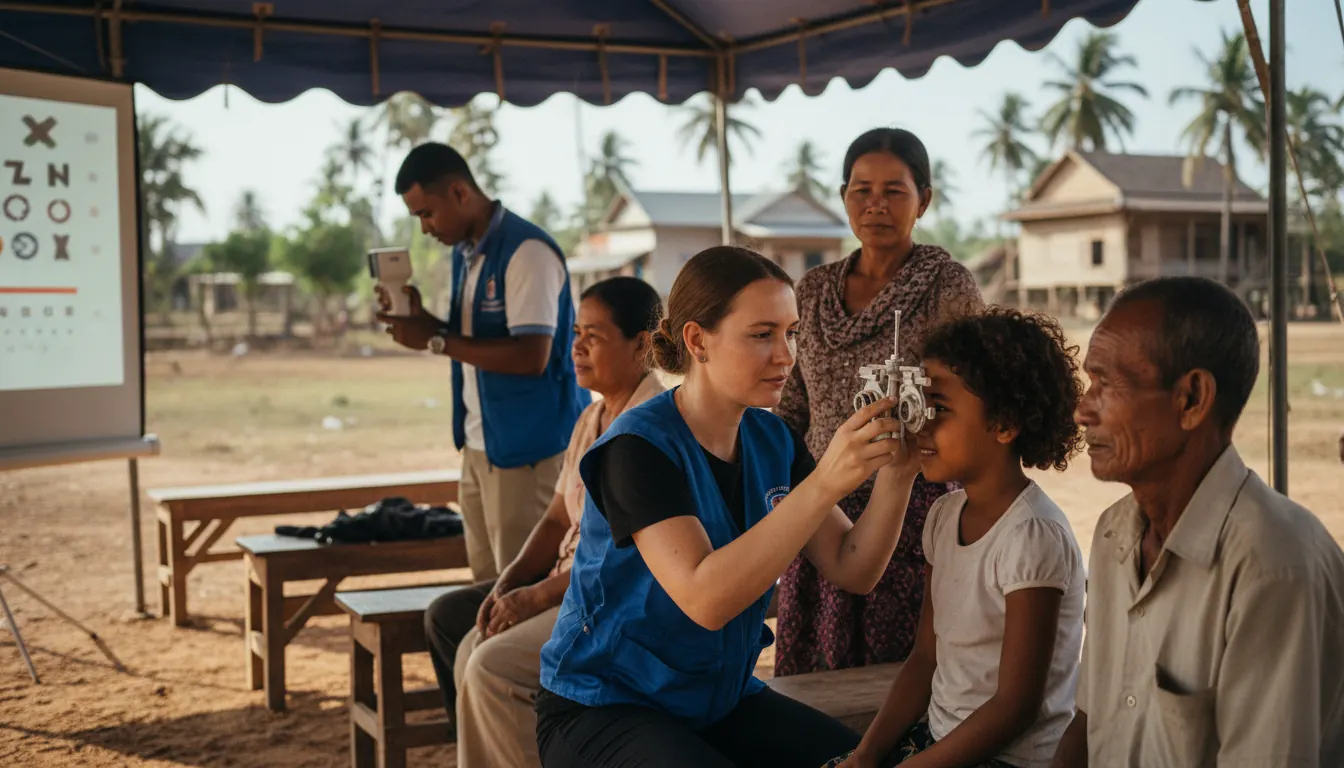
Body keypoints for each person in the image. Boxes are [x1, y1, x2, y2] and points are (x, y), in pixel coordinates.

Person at [535, 246, 924, 768]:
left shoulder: (772, 439)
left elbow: (854, 567)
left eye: (791, 333)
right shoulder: (637, 448)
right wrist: (827, 481)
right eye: (762, 335)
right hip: (606, 705)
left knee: (869, 762)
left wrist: (898, 473)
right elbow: (705, 599)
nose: (786, 355)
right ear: (697, 341)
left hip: (715, 699)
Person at [1050, 276, 1344, 767]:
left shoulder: (1273, 563)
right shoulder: (1113, 534)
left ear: (1191, 399)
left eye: (1107, 384)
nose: (1083, 410)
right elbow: (1090, 720)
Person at [422, 276, 666, 768]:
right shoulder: (591, 417)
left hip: (614, 601)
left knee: (490, 665)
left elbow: (620, 561)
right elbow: (557, 517)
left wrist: (534, 595)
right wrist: (511, 579)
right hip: (573, 588)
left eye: (592, 336)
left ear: (642, 345)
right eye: (575, 333)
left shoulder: (651, 426)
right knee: (473, 641)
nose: (575, 347)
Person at [827, 308, 1087, 768]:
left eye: (939, 409)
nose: (918, 423)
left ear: (1004, 424)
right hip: (938, 739)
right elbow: (925, 657)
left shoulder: (1032, 535)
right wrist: (866, 754)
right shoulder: (944, 515)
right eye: (917, 403)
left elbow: (1016, 708)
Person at [775, 127, 984, 677]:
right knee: (820, 681)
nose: (875, 205)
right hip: (820, 505)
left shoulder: (947, 286)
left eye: (895, 191)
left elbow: (972, 398)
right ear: (843, 196)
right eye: (861, 190)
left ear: (924, 201)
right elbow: (793, 405)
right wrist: (787, 488)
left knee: (902, 680)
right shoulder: (812, 291)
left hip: (913, 507)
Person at [378, 142, 589, 584]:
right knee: (485, 588)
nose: (425, 228)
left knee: (520, 592)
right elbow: (474, 341)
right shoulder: (467, 253)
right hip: (479, 445)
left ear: (459, 193)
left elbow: (533, 356)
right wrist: (422, 321)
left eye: (426, 213)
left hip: (528, 451)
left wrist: (434, 340)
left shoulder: (526, 251)